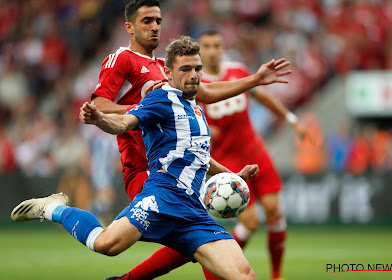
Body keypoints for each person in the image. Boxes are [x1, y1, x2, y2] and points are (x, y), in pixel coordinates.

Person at [11, 36, 260, 280]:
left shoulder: (195, 109)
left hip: (193, 210)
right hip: (162, 196)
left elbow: (200, 158)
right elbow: (124, 123)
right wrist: (99, 119)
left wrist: (231, 175)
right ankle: (53, 208)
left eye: (197, 68)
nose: (193, 74)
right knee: (105, 243)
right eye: (185, 69)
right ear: (168, 72)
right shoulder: (161, 97)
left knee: (244, 276)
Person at [90, 1, 291, 279]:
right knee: (182, 236)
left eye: (158, 21)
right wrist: (152, 109)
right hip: (146, 167)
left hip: (175, 163)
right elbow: (101, 104)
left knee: (193, 237)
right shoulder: (123, 59)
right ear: (129, 26)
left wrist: (254, 80)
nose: (154, 27)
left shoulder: (164, 67)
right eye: (147, 21)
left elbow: (206, 93)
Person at [195, 30, 309, 280]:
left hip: (254, 151)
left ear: (223, 48)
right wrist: (203, 127)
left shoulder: (237, 71)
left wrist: (292, 120)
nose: (213, 50)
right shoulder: (196, 84)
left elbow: (262, 96)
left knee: (274, 211)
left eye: (217, 45)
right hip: (227, 160)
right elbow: (186, 119)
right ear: (200, 51)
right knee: (251, 222)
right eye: (207, 46)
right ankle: (218, 270)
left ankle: (277, 274)